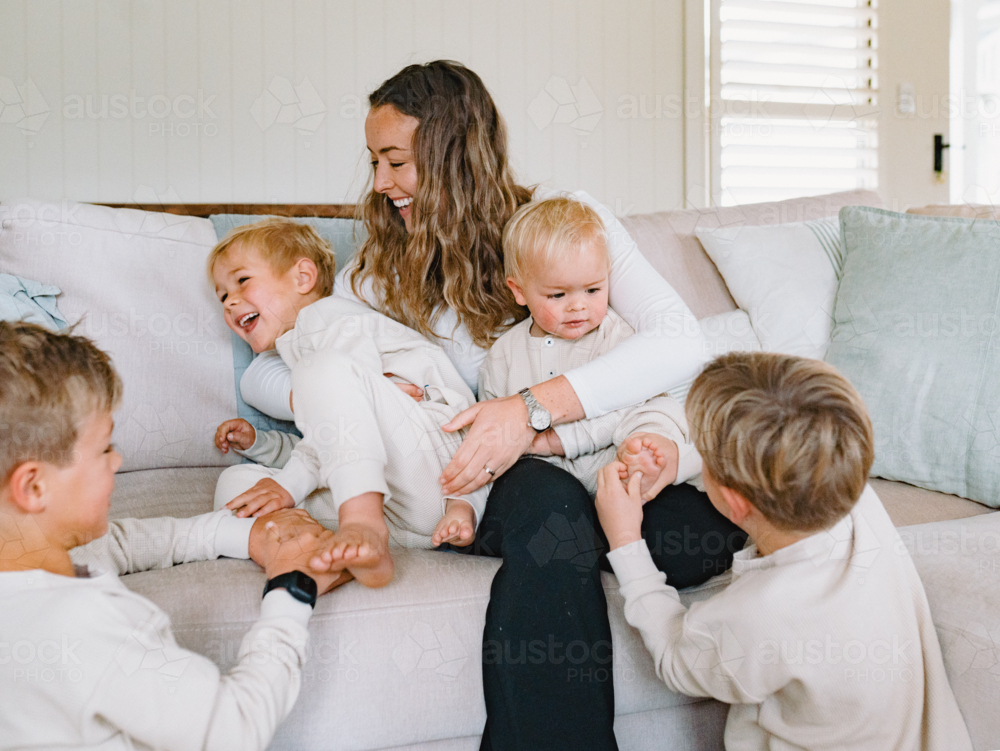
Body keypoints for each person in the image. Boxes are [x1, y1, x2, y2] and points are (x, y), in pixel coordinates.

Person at [238, 60, 745, 750]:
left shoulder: (563, 223)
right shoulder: (374, 277)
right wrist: (367, 387)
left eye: (396, 162)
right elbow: (268, 373)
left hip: (593, 447)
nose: (380, 184)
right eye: (375, 162)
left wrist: (533, 408)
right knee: (551, 512)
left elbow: (678, 340)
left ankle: (600, 529)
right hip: (496, 479)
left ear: (452, 155)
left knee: (710, 529)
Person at [594, 351, 973, 751]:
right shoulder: (848, 490)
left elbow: (676, 662)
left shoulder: (757, 613)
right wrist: (678, 463)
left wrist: (624, 540)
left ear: (735, 501)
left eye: (701, 451)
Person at [0, 320, 346, 750]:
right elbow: (234, 728)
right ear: (33, 487)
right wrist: (292, 587)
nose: (118, 461)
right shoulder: (85, 627)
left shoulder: (26, 559)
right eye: (104, 449)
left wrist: (244, 535)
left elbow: (117, 545)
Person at [209, 218, 489, 588]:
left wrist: (290, 484)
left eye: (242, 281)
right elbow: (340, 445)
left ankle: (362, 525)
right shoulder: (299, 350)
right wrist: (263, 445)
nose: (230, 301)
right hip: (411, 520)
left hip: (437, 468)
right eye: (222, 295)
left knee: (319, 370)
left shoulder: (326, 319)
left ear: (303, 277)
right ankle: (328, 559)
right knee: (237, 488)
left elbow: (341, 432)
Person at [479, 196, 707, 502]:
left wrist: (560, 439)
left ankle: (653, 458)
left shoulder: (617, 336)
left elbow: (625, 405)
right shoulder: (503, 355)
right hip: (546, 483)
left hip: (617, 467)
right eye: (558, 294)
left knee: (658, 410)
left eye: (593, 290)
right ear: (519, 290)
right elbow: (489, 431)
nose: (578, 306)